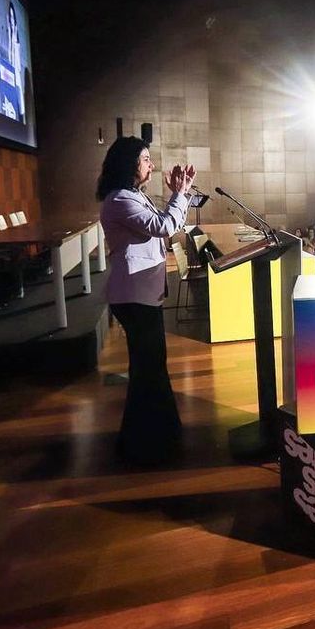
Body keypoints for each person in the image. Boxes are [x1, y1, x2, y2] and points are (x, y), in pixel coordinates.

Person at [98, 136, 194, 463]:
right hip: (134, 296)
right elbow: (164, 226)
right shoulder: (118, 200)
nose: (151, 165)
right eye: (145, 159)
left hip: (143, 293)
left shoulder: (133, 195)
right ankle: (144, 443)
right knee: (148, 369)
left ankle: (155, 435)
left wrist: (178, 194)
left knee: (150, 367)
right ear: (128, 165)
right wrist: (179, 195)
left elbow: (166, 223)